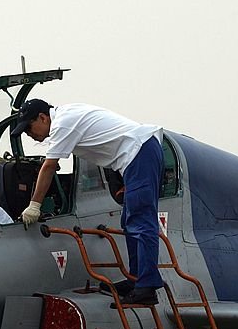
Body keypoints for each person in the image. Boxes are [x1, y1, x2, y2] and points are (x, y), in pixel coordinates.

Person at [13, 99, 164, 306]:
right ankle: (137, 279)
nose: (29, 135)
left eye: (29, 128)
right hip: (134, 156)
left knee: (140, 220)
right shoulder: (66, 115)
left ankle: (147, 287)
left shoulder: (62, 124)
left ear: (42, 117)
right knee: (130, 222)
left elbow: (49, 167)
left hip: (139, 153)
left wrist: (34, 206)